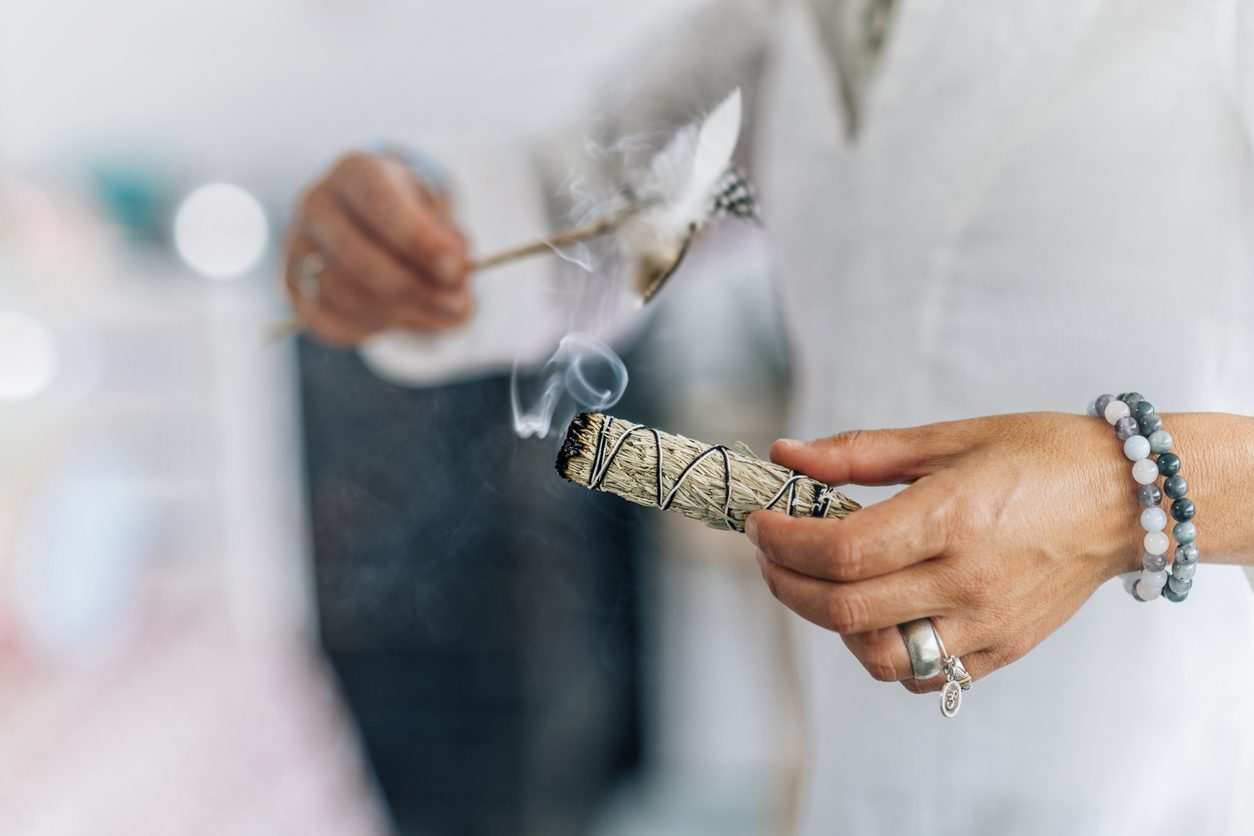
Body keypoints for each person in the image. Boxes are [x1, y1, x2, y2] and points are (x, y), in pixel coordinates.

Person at [283, 1, 1254, 832]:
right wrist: (414, 236)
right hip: (866, 749)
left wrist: (1128, 495)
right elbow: (594, 209)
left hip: (1176, 769)